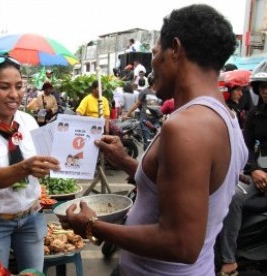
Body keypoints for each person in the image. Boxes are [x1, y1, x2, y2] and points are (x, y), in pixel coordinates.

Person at [59, 4, 248, 275]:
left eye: (154, 54)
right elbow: (185, 189)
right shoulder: (226, 118)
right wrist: (125, 161)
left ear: (175, 49)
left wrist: (91, 226)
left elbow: (181, 244)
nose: (152, 66)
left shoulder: (186, 127)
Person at [0, 55, 60, 272]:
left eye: (19, 86)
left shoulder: (27, 121)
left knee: (34, 273)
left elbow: (45, 159)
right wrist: (25, 167)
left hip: (31, 217)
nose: (14, 95)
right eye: (4, 87)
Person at [216, 60, 267, 276]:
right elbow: (245, 146)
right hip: (258, 172)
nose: (265, 91)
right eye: (263, 87)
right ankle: (229, 259)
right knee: (232, 196)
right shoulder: (254, 115)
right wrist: (254, 169)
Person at [122, 75, 160, 150]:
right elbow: (137, 104)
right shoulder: (144, 92)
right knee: (148, 142)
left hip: (157, 120)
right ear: (153, 82)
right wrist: (127, 114)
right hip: (146, 120)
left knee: (157, 142)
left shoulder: (161, 92)